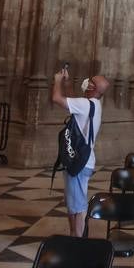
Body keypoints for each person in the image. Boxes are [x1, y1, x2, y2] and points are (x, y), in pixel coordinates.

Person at [51, 64, 109, 237]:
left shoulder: (85, 105)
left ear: (93, 88)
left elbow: (57, 98)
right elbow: (73, 102)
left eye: (90, 81)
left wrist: (57, 81)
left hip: (79, 162)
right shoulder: (94, 105)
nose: (87, 81)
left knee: (78, 206)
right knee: (74, 203)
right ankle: (73, 237)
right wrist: (68, 83)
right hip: (84, 160)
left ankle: (78, 245)